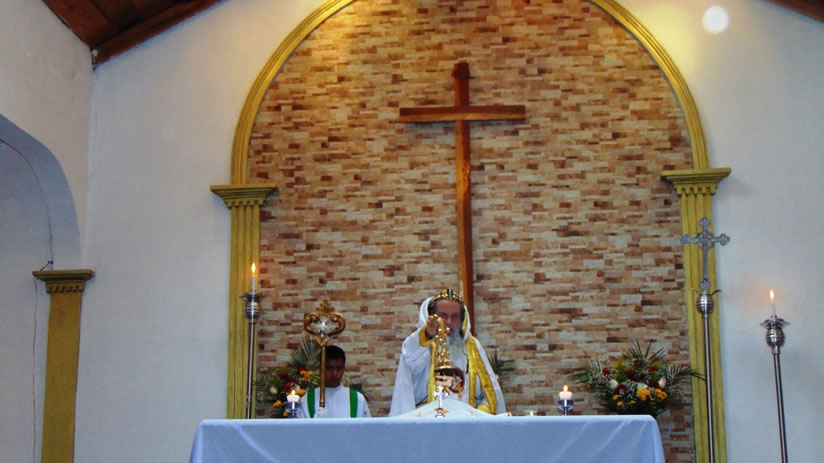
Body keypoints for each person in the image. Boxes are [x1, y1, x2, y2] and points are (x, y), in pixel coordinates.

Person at [389, 288, 506, 416]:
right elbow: (410, 357)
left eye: (455, 316)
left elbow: (490, 392)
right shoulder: (420, 345)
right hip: (427, 421)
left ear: (462, 319)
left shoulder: (472, 347)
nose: (449, 322)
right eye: (443, 316)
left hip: (465, 422)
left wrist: (477, 415)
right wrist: (428, 333)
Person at [299, 345, 370, 418]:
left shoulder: (357, 399)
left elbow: (367, 425)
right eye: (329, 368)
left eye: (338, 368)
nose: (334, 374)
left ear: (344, 369)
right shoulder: (307, 400)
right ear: (321, 369)